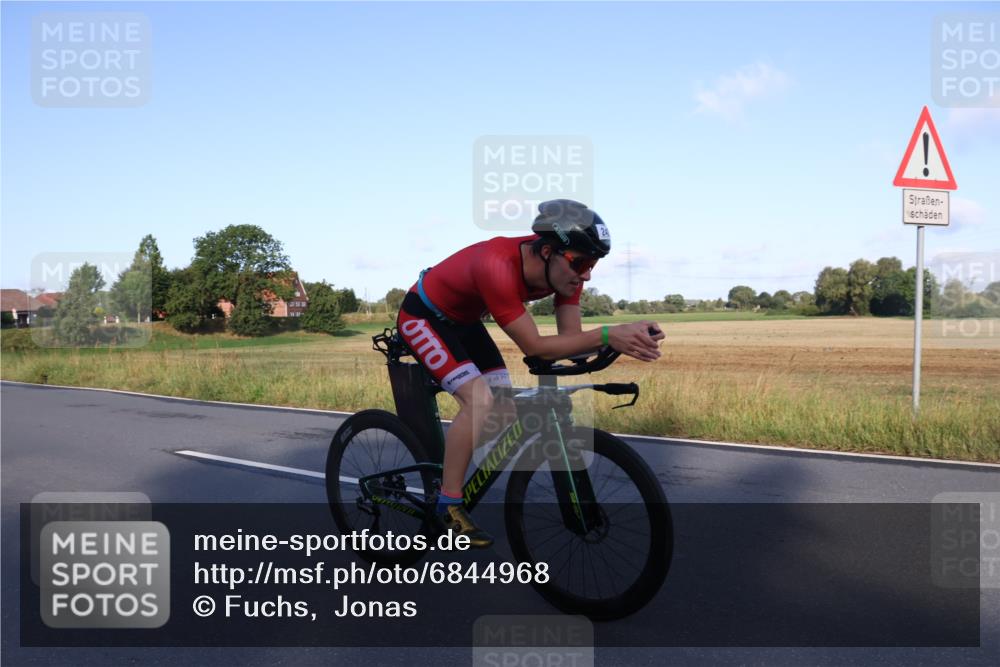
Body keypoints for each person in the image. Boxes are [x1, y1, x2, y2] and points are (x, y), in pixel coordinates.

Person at [396, 199, 664, 547]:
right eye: (581, 264)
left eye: (593, 264)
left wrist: (626, 336)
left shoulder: (568, 270)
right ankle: (448, 504)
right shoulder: (496, 265)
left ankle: (452, 464)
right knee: (479, 400)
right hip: (423, 317)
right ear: (548, 251)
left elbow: (570, 342)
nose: (586, 274)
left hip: (464, 321)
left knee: (504, 407)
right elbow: (536, 347)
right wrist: (609, 334)